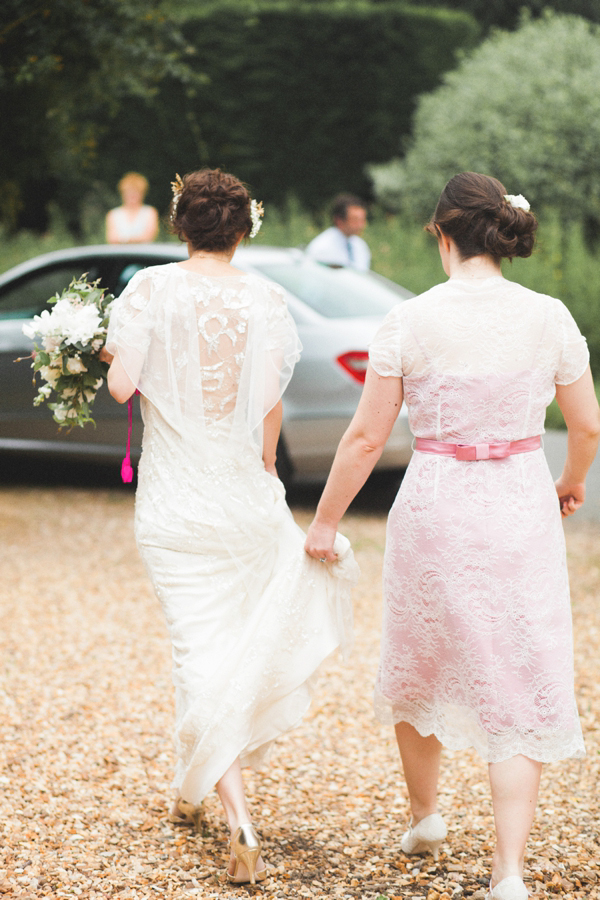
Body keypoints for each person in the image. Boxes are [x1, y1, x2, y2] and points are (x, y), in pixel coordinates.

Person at [305, 172, 600, 900]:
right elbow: (588, 424)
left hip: (436, 505)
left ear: (442, 236)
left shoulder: (410, 320)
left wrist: (324, 520)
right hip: (519, 503)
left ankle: (427, 817)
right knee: (516, 672)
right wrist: (571, 483)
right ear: (500, 233)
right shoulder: (550, 315)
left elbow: (366, 438)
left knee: (420, 661)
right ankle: (509, 873)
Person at [101, 168, 357, 885]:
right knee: (228, 643)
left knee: (197, 648)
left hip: (176, 501)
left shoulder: (150, 290)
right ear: (245, 229)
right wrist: (267, 468)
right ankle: (196, 787)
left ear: (180, 225)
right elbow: (269, 402)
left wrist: (111, 349)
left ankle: (237, 816)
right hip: (243, 492)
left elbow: (123, 386)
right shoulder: (266, 299)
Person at [306, 193, 371, 270]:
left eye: (362, 220)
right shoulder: (322, 247)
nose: (360, 225)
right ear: (339, 220)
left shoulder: (360, 246)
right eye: (355, 220)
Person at [105, 172, 159, 244]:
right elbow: (112, 239)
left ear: (142, 194)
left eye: (136, 192)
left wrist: (124, 240)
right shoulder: (113, 214)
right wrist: (136, 239)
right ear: (122, 193)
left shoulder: (150, 212)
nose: (132, 196)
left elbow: (148, 237)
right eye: (129, 192)